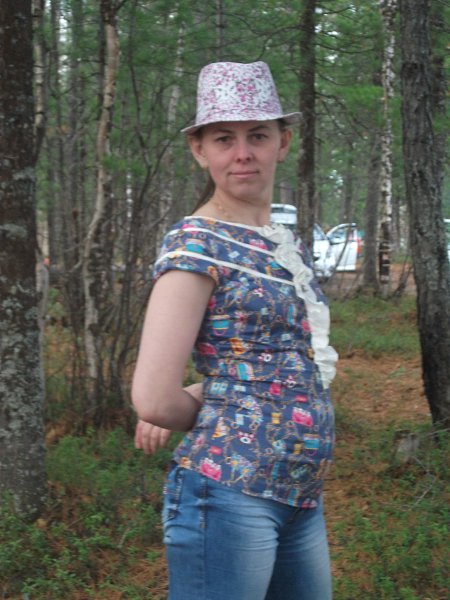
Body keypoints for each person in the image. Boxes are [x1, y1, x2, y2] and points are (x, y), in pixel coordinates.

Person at [132, 61, 338, 600]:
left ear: (282, 143)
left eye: (258, 136)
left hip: (300, 496)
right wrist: (225, 409)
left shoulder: (281, 244)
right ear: (200, 150)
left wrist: (211, 389)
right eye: (224, 138)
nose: (243, 153)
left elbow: (279, 362)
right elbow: (152, 397)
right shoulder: (195, 246)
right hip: (228, 494)